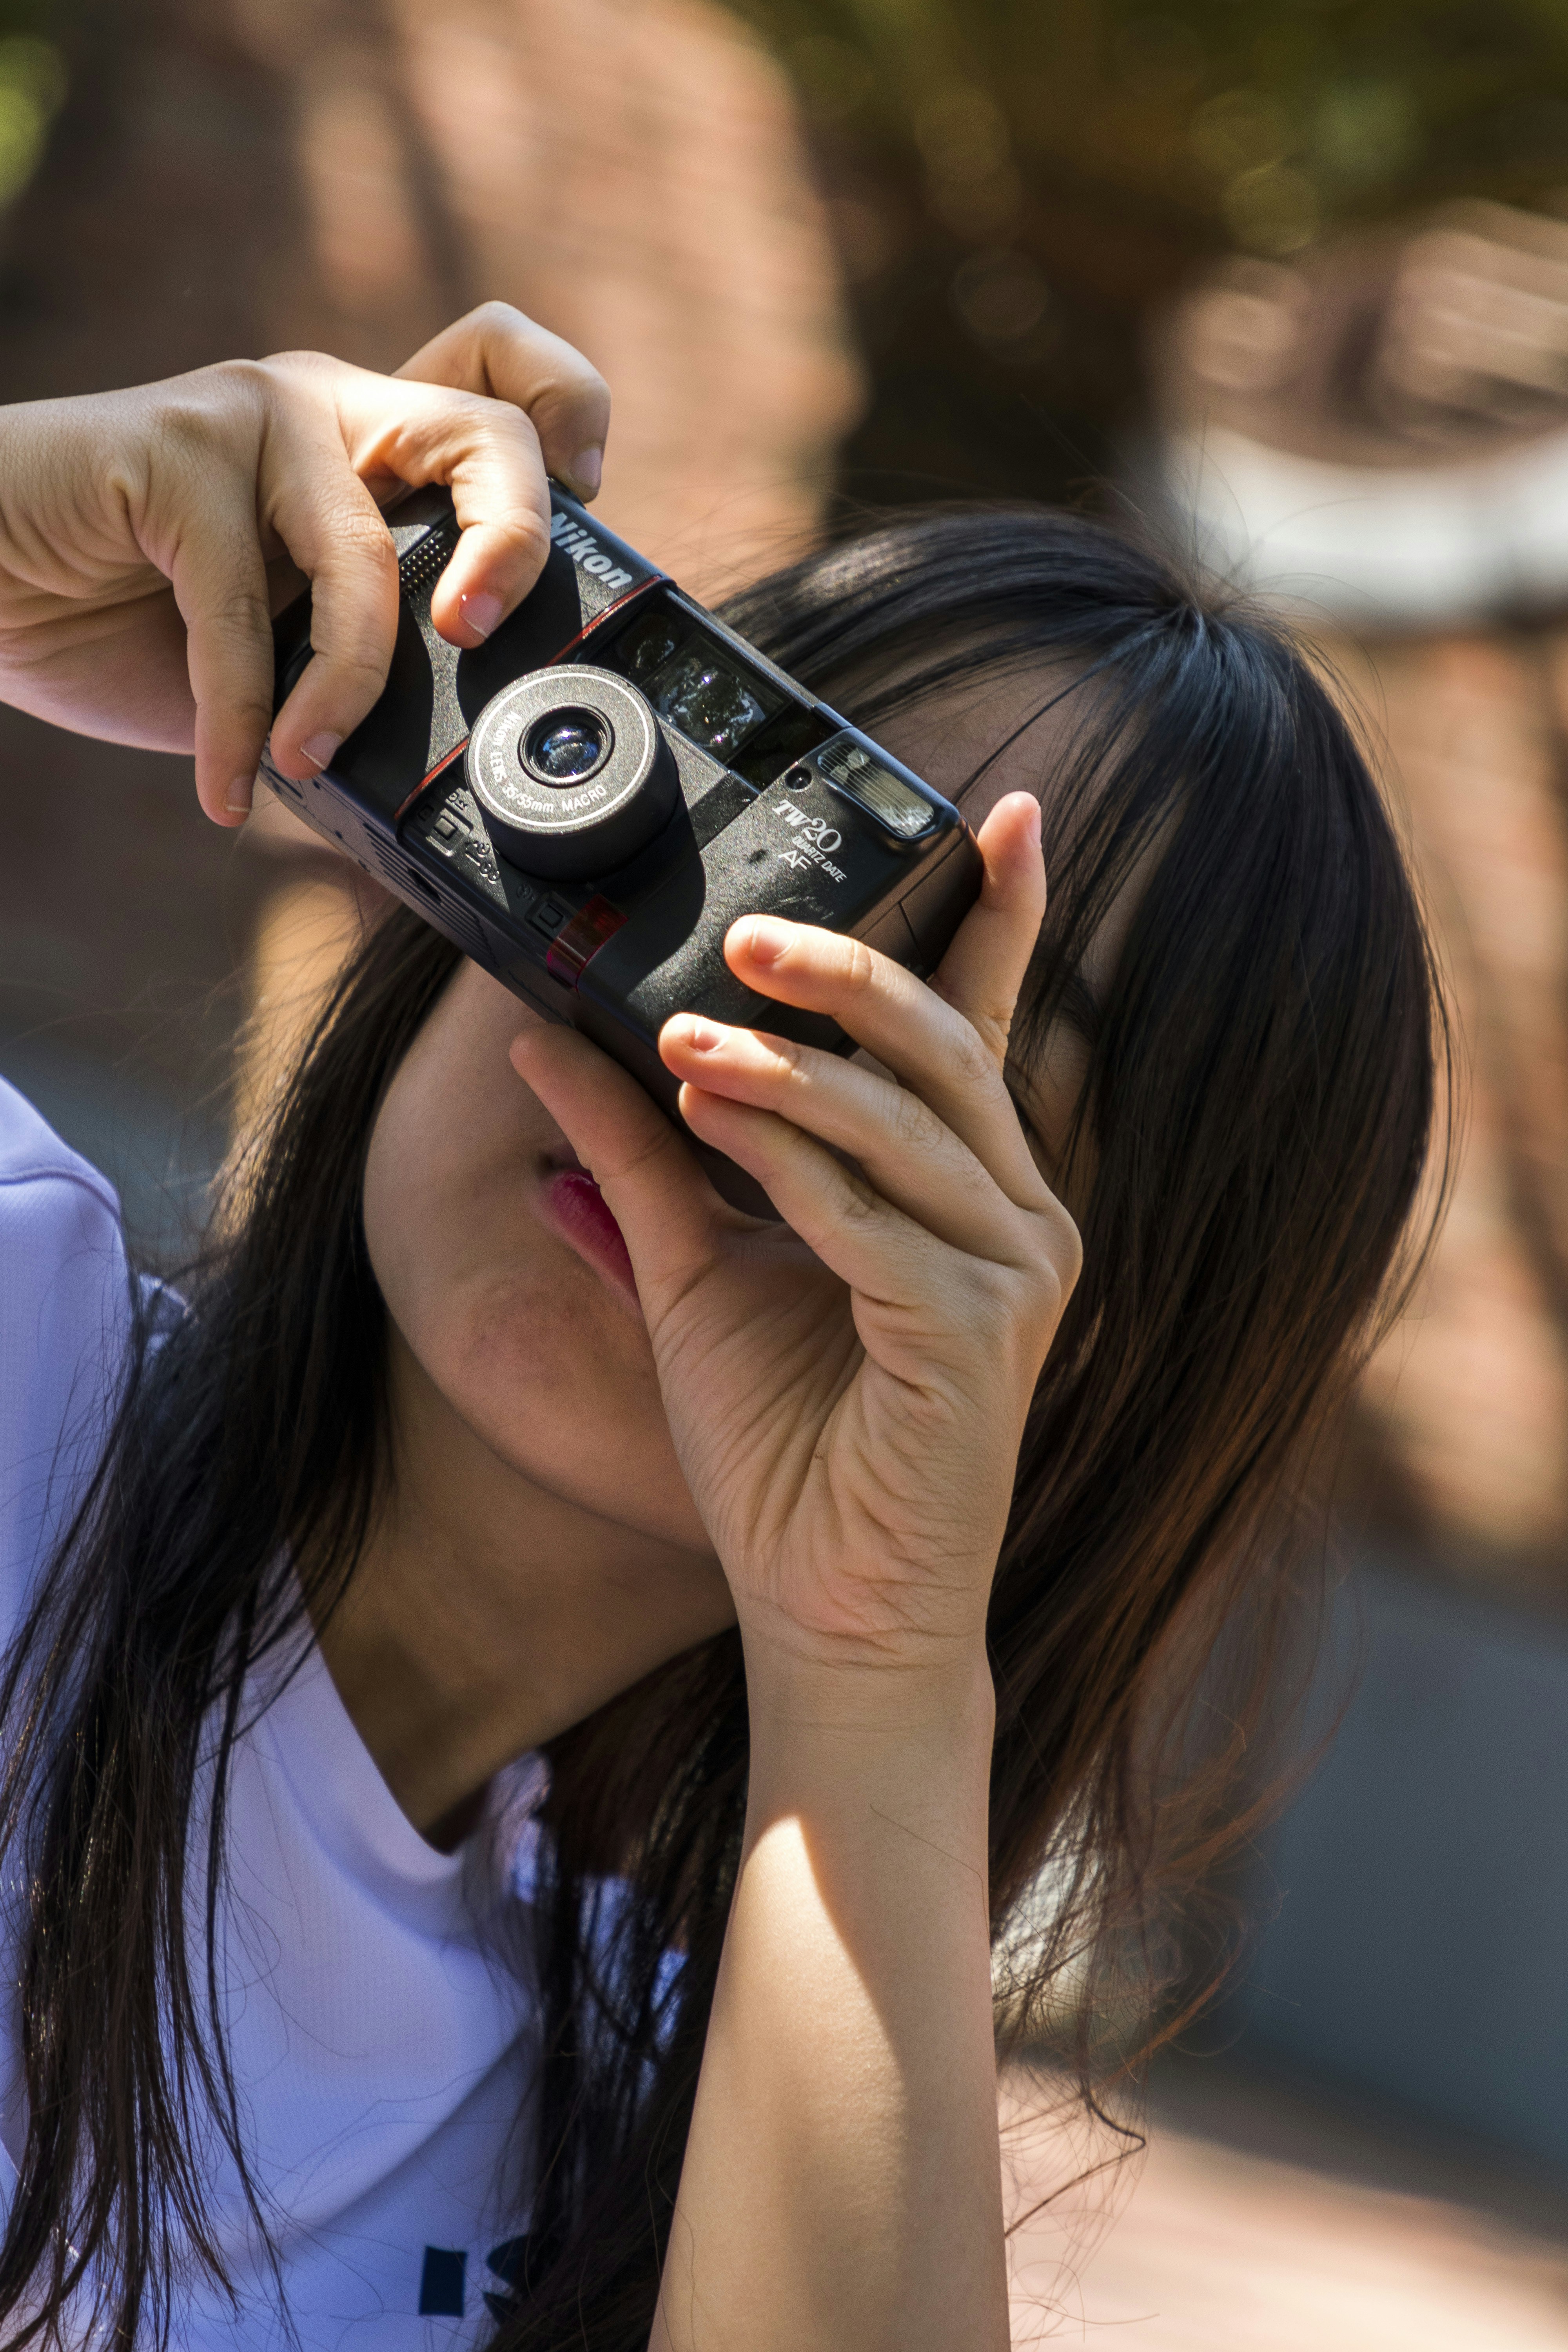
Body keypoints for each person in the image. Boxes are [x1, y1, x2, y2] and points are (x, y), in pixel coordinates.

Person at [0, 304, 1443, 2352]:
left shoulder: (715, 2140)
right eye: (732, 867)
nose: (718, 1069)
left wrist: (874, 1666)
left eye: (918, 1066)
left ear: (1101, 1371)